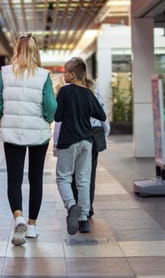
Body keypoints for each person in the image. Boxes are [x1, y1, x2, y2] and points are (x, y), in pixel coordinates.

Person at [0, 33, 57, 246]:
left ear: (17, 50)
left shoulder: (5, 73)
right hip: (38, 133)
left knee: (14, 178)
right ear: (36, 50)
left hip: (12, 134)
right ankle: (32, 225)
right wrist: (46, 119)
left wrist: (5, 116)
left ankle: (18, 216)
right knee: (36, 178)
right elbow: (51, 106)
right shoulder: (44, 75)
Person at [54, 57, 106, 235]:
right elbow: (101, 115)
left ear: (72, 74)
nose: (64, 75)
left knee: (63, 177)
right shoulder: (88, 93)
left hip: (69, 140)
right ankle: (83, 219)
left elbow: (58, 117)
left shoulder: (65, 92)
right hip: (87, 141)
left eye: (65, 72)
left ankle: (71, 206)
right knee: (84, 180)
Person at [70, 78, 109, 219]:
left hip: (75, 135)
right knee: (89, 175)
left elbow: (61, 122)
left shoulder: (70, 92)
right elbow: (103, 115)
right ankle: (88, 208)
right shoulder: (95, 92)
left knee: (74, 174)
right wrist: (105, 133)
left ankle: (75, 206)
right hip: (93, 136)